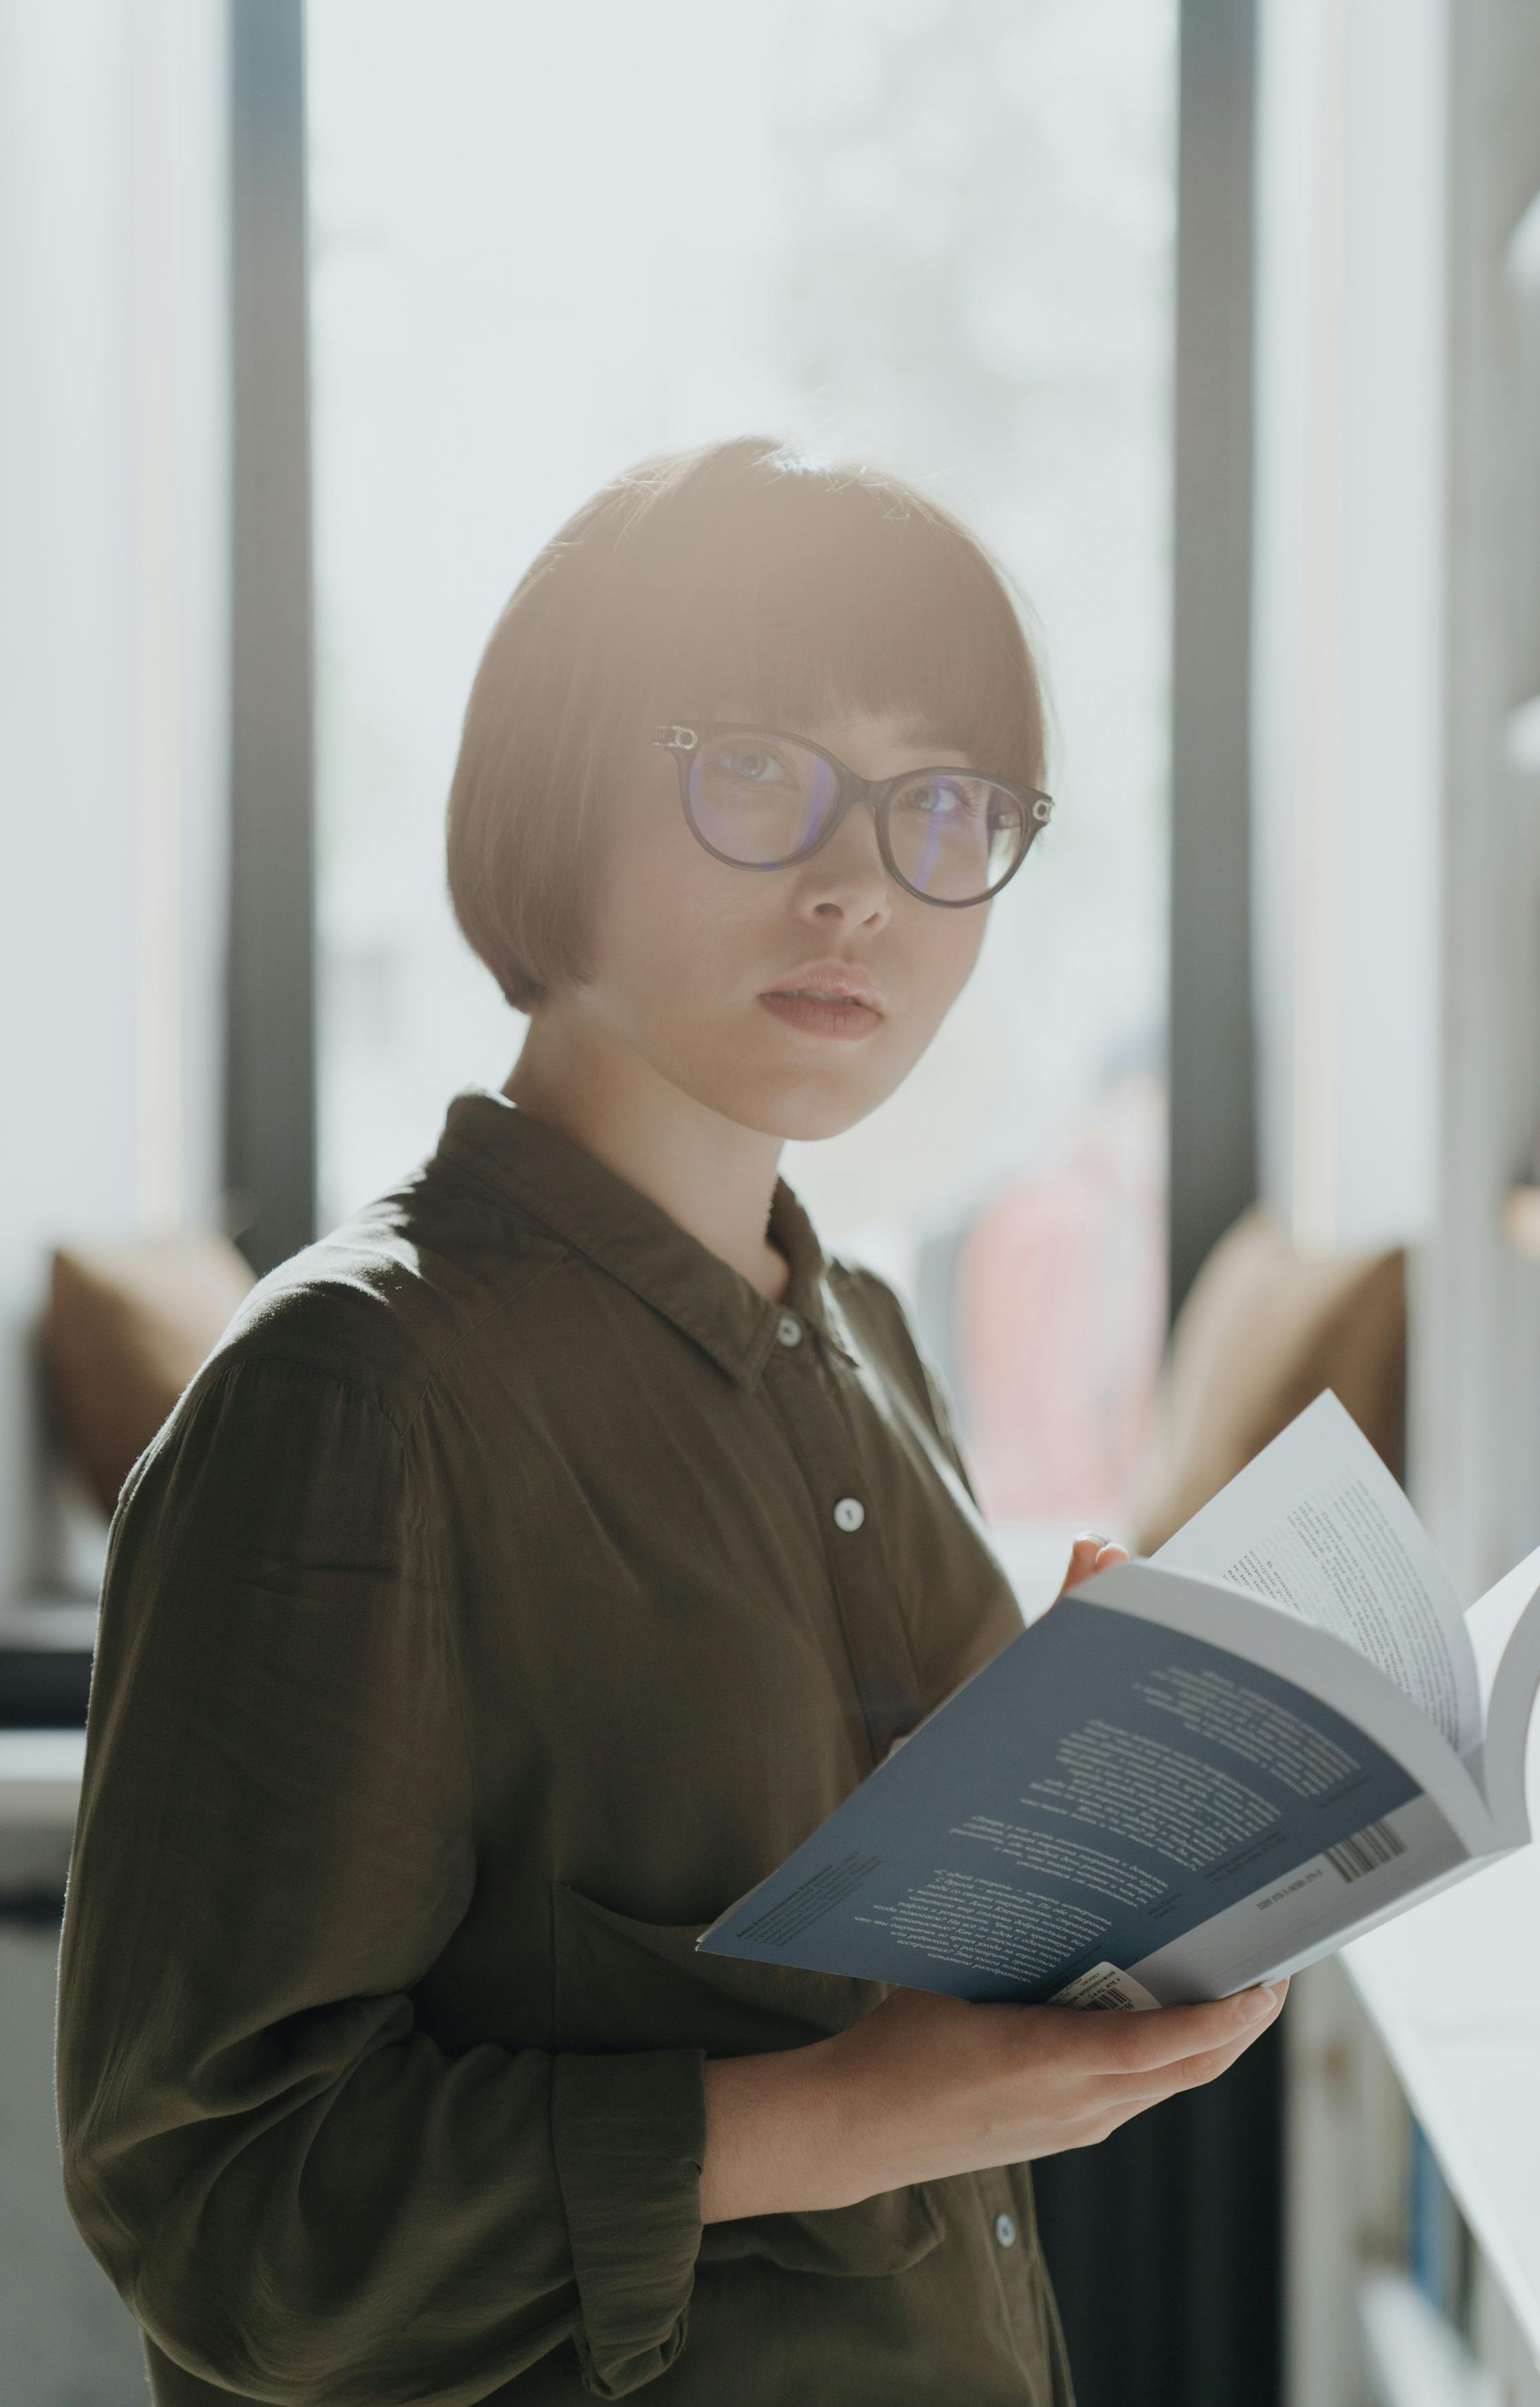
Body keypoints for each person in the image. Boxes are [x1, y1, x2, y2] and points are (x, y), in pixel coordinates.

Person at [56, 436, 1284, 2406]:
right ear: (554, 797)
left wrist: (1113, 1838)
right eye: (755, 773)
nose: (857, 883)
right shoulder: (351, 1397)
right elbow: (222, 2208)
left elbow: (865, 1973)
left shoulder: (863, 1326)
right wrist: (844, 2115)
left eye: (940, 804)